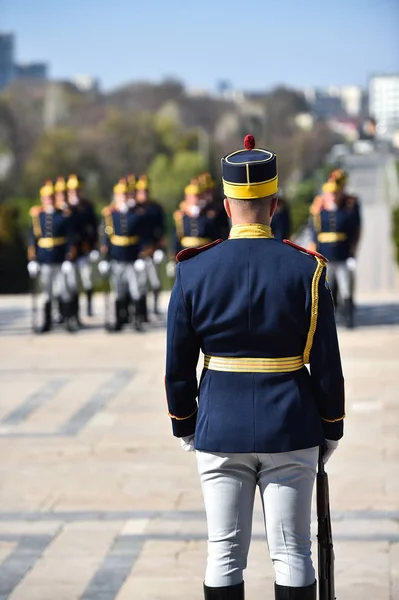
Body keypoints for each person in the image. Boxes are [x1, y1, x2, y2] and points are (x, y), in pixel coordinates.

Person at [165, 135, 345, 600]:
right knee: (293, 552)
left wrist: (185, 422)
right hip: (291, 424)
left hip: (219, 425)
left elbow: (178, 363)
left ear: (226, 207)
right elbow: (326, 363)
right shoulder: (307, 270)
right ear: (274, 203)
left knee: (223, 552)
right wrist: (330, 428)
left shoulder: (193, 270)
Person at [27, 181, 76, 333]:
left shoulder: (62, 216)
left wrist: (69, 258)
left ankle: (67, 320)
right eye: (46, 198)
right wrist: (33, 260)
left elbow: (69, 239)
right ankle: (47, 321)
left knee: (63, 290)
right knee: (46, 292)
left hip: (60, 258)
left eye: (51, 197)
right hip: (44, 259)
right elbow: (33, 239)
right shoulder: (38, 217)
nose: (49, 200)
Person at [310, 180, 360, 328]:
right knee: (327, 290)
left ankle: (348, 318)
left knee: (346, 289)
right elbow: (315, 235)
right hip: (326, 257)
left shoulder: (346, 212)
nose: (332, 197)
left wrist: (352, 252)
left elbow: (353, 233)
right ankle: (328, 320)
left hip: (343, 256)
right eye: (329, 194)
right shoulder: (320, 213)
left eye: (334, 194)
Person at [99, 178, 146, 331]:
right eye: (121, 195)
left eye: (126, 195)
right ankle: (120, 318)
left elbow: (142, 237)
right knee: (119, 290)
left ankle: (137, 319)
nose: (124, 198)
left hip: (133, 257)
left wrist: (142, 256)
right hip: (117, 257)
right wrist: (105, 259)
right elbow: (106, 238)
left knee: (135, 289)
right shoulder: (110, 214)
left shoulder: (137, 213)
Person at [66, 174, 99, 320]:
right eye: (72, 191)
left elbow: (93, 228)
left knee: (87, 281)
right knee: (72, 284)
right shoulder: (64, 207)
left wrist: (93, 247)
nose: (75, 193)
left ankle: (89, 307)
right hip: (70, 252)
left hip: (84, 249)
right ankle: (74, 313)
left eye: (77, 190)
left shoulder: (87, 206)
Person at [135, 174, 166, 319]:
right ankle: (142, 312)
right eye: (141, 192)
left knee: (155, 282)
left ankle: (155, 307)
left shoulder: (155, 208)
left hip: (153, 249)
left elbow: (161, 230)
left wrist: (161, 249)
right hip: (139, 251)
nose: (144, 194)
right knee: (140, 285)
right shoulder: (134, 209)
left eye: (146, 191)